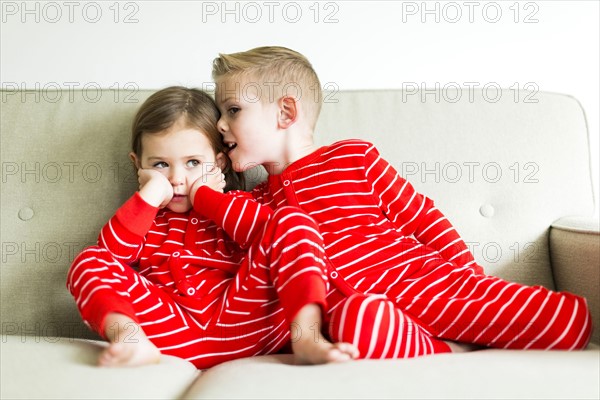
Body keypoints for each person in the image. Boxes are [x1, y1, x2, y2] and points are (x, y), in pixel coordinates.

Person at [211, 46, 593, 358]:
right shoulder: (253, 204)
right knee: (357, 323)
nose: (220, 125)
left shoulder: (351, 157)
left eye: (233, 110)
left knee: (568, 321)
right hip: (365, 312)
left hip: (426, 283)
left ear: (285, 112)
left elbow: (423, 217)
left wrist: (469, 277)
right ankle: (449, 350)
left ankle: (474, 326)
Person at [66, 86, 359, 368]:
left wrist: (206, 198)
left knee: (292, 220)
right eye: (160, 165)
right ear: (138, 164)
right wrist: (150, 195)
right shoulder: (141, 216)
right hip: (173, 331)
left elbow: (273, 234)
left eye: (193, 162)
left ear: (218, 163)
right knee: (89, 260)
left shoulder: (233, 205)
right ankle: (130, 343)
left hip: (245, 323)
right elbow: (111, 255)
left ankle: (307, 338)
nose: (176, 178)